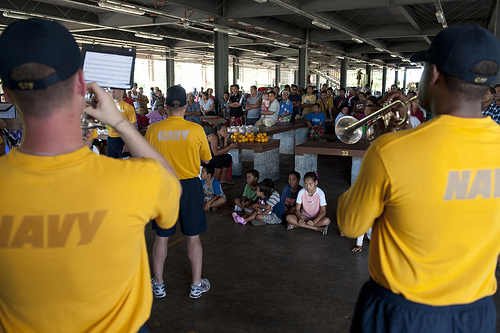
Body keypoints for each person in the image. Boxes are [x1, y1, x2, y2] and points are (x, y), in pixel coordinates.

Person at [0, 18, 181, 333]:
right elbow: (170, 182)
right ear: (82, 86)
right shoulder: (136, 182)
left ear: (6, 95)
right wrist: (121, 123)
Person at [337, 25, 500, 332]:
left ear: (434, 73)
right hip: (477, 314)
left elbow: (350, 225)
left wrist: (383, 141)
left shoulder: (390, 151)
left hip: (402, 315)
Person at [145, 85, 212, 300]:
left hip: (164, 187)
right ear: (186, 106)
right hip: (190, 187)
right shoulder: (196, 130)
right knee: (193, 238)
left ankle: (159, 285)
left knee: (162, 238)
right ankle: (195, 285)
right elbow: (207, 159)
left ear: (165, 106)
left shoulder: (153, 130)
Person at [107, 87, 137, 159]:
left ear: (122, 91)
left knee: (126, 165)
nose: (113, 91)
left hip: (123, 139)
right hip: (111, 139)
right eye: (112, 89)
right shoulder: (109, 106)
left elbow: (133, 127)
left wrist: (128, 144)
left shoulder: (128, 107)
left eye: (115, 89)